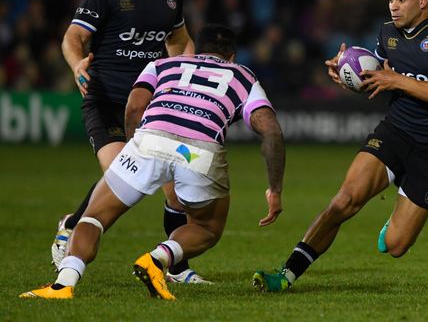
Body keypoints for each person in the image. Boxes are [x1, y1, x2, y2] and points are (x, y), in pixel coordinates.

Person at [20, 24, 285, 300]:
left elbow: (135, 106)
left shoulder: (163, 65)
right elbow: (271, 130)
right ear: (232, 56)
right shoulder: (243, 76)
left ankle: (63, 284)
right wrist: (274, 189)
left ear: (197, 50)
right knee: (206, 228)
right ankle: (158, 259)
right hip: (200, 152)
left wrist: (137, 152)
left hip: (149, 138)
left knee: (94, 216)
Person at [252, 0, 428, 292]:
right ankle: (287, 274)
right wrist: (347, 76)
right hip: (395, 131)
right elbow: (375, 77)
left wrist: (395, 80)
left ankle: (397, 218)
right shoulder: (386, 33)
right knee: (344, 201)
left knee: (396, 245)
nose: (393, 6)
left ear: (422, 1)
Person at [54, 0, 210, 284]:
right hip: (106, 102)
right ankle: (73, 226)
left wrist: (185, 75)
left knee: (176, 190)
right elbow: (72, 37)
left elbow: (180, 41)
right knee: (120, 173)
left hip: (151, 106)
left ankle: (177, 266)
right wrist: (78, 64)